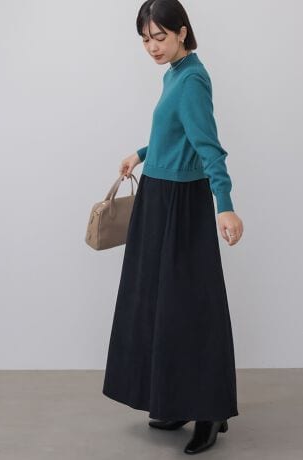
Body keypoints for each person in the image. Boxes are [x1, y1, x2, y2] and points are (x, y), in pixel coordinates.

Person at [102, 0, 244, 455]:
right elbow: (174, 131)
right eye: (145, 39)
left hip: (182, 205)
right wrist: (142, 153)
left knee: (190, 309)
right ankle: (180, 400)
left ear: (182, 31)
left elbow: (209, 147)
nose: (152, 47)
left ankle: (210, 410)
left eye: (160, 37)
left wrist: (225, 205)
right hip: (158, 198)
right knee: (162, 308)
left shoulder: (193, 80)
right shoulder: (174, 75)